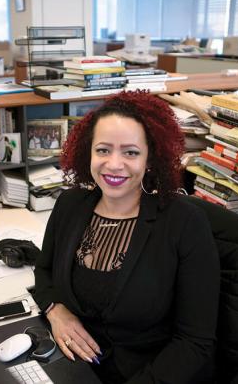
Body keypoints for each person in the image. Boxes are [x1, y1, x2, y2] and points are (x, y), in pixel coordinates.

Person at [33, 91, 220, 384]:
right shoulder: (70, 204)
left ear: (150, 158)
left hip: (149, 374)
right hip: (74, 365)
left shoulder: (183, 223)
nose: (114, 164)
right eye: (103, 150)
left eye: (130, 152)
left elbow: (194, 342)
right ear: (88, 152)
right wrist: (57, 311)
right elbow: (43, 270)